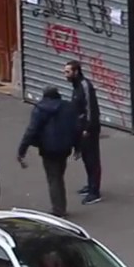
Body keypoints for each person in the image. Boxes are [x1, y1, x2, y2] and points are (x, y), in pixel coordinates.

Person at [17, 86, 81, 217]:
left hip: (48, 149)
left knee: (54, 178)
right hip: (64, 148)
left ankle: (58, 210)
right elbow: (76, 128)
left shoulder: (40, 109)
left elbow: (31, 130)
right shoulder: (68, 107)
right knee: (58, 176)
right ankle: (61, 206)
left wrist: (22, 150)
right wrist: (78, 147)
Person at [66, 60, 104, 205]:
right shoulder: (76, 86)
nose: (65, 75)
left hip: (88, 130)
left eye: (68, 72)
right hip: (81, 128)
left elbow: (90, 109)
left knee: (92, 159)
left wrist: (87, 128)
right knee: (86, 159)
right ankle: (90, 185)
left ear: (76, 72)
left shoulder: (84, 86)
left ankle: (95, 192)